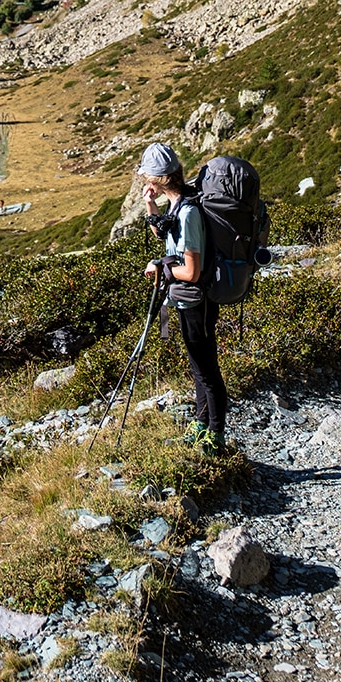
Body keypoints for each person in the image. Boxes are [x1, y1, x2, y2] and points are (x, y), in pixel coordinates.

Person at [139, 142, 228, 453]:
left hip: (195, 300)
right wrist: (151, 208)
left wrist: (160, 267)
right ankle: (201, 423)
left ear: (157, 179)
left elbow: (191, 270)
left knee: (206, 369)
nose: (144, 183)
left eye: (147, 178)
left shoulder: (188, 212)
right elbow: (166, 232)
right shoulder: (180, 202)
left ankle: (215, 435)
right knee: (198, 365)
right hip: (186, 299)